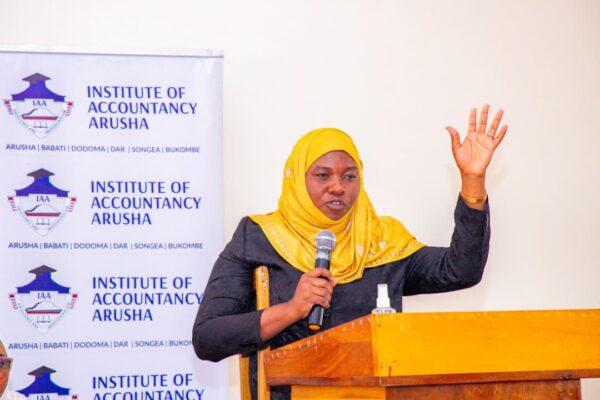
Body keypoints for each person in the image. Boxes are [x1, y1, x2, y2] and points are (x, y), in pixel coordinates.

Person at [193, 105, 507, 400]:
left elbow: (461, 270)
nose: (338, 187)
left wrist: (473, 181)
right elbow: (207, 338)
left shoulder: (382, 241)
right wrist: (291, 309)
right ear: (297, 178)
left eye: (349, 176)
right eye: (322, 175)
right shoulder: (259, 237)